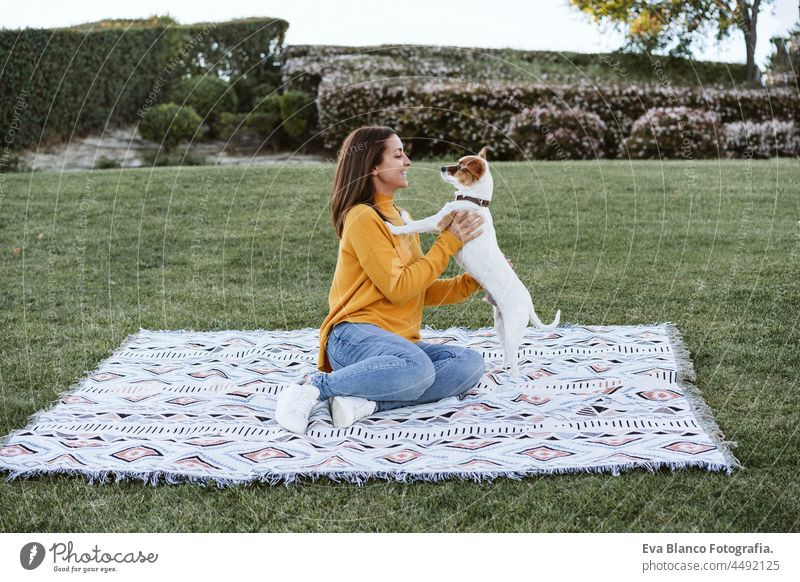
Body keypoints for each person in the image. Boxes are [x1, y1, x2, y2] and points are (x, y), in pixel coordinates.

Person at [275, 126, 489, 434]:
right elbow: (398, 289)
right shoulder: (362, 217)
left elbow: (419, 289)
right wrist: (447, 243)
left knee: (469, 363)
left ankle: (369, 402)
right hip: (353, 337)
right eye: (398, 154)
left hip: (398, 348)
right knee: (418, 369)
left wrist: (473, 281)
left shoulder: (402, 216)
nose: (408, 162)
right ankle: (314, 387)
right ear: (374, 166)